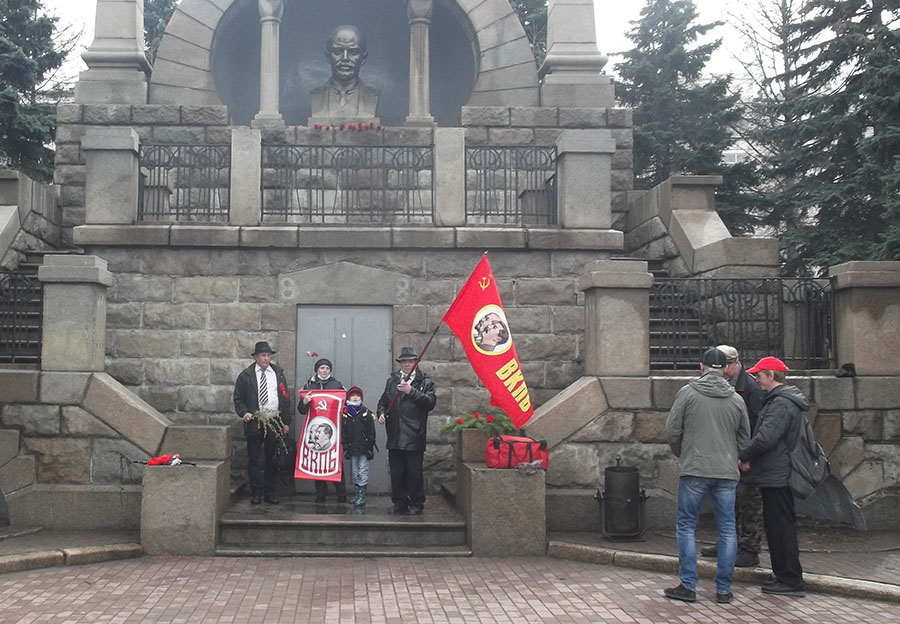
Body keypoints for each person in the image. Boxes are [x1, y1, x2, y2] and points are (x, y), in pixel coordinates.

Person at [664, 347, 750, 604]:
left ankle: (688, 585)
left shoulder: (688, 393)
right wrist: (733, 457)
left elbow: (672, 430)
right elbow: (744, 438)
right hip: (726, 471)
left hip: (695, 468)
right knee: (728, 529)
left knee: (686, 525)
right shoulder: (736, 399)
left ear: (702, 367)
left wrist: (683, 453)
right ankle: (723, 589)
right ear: (726, 370)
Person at [739, 356, 808, 597]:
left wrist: (744, 455)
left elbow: (767, 437)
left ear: (771, 375)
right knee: (777, 526)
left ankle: (790, 579)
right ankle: (784, 575)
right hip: (776, 473)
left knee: (780, 528)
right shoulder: (780, 400)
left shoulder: (781, 403)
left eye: (759, 375)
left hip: (778, 475)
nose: (756, 380)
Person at [700, 344, 766, 567]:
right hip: (725, 454)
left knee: (748, 502)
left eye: (726, 365)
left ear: (735, 364)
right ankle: (727, 542)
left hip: (746, 456)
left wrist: (747, 455)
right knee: (727, 501)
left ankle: (749, 548)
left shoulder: (750, 388)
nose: (722, 370)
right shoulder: (722, 383)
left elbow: (756, 425)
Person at [377, 347, 437, 515]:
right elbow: (383, 402)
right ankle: (399, 503)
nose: (407, 364)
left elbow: (430, 403)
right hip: (395, 434)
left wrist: (411, 392)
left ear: (416, 362)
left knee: (414, 473)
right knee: (397, 473)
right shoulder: (392, 381)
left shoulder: (425, 382)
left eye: (410, 361)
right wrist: (381, 413)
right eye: (404, 361)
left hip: (414, 435)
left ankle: (416, 503)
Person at [233, 341, 291, 505]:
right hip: (255, 421)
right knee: (254, 459)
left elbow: (285, 399)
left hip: (274, 421)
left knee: (272, 458)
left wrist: (285, 422)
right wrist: (244, 412)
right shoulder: (246, 375)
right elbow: (238, 398)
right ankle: (256, 492)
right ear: (256, 357)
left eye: (268, 355)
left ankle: (270, 492)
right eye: (263, 355)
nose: (266, 358)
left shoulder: (278, 374)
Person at [299, 357, 347, 503]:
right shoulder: (309, 385)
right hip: (316, 428)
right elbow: (301, 410)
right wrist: (304, 402)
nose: (325, 371)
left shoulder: (337, 385)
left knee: (335, 460)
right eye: (322, 368)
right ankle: (320, 493)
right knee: (318, 461)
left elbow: (345, 406)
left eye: (327, 368)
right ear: (317, 370)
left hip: (332, 429)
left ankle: (341, 493)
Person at [309, 25, 379, 121]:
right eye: (338, 52)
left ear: (363, 58)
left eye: (353, 52)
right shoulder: (316, 96)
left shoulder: (372, 95)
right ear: (328, 57)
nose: (345, 58)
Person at [342, 385, 376, 507]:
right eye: (353, 396)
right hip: (352, 448)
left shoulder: (366, 413)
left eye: (358, 396)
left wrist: (370, 446)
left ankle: (362, 496)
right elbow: (343, 432)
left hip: (363, 448)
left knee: (363, 471)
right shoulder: (345, 414)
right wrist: (345, 446)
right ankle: (357, 494)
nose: (355, 398)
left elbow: (371, 432)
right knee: (355, 472)